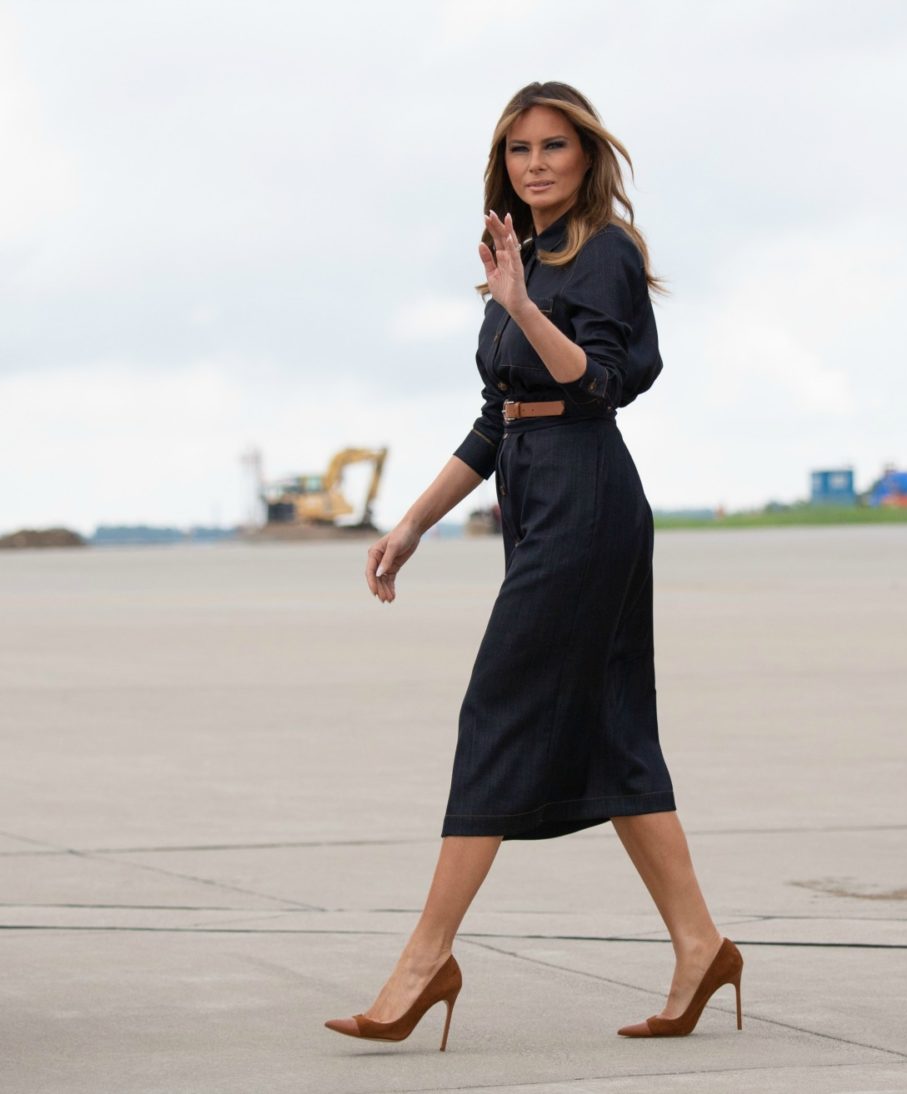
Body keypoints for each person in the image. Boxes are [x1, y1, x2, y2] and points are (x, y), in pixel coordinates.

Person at [322, 82, 742, 1048]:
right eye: (519, 150)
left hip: (588, 498)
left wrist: (519, 301)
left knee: (499, 710)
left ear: (588, 157)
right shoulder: (523, 256)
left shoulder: (603, 255)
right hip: (535, 493)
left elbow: (599, 383)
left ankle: (426, 959)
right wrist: (414, 523)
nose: (537, 163)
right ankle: (699, 943)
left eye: (555, 146)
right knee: (612, 732)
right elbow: (492, 416)